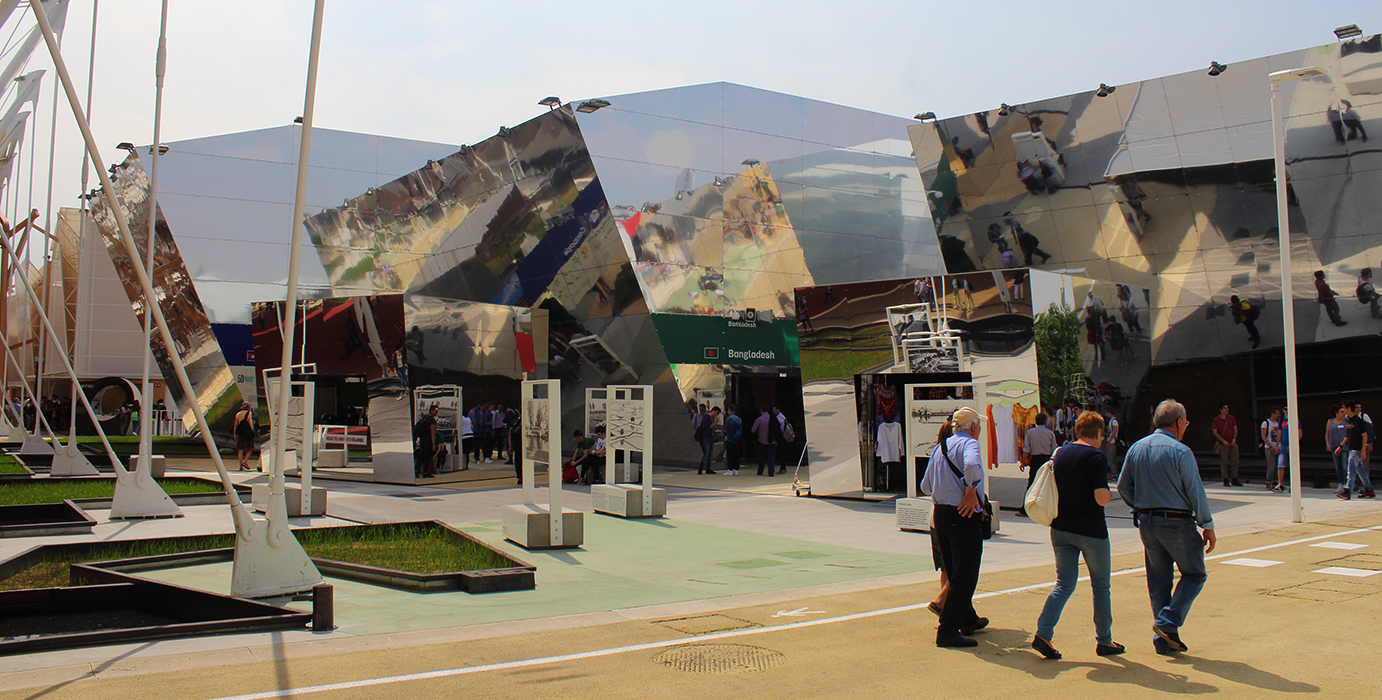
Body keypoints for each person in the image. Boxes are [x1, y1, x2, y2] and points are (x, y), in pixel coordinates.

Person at [1117, 399, 1215, 655]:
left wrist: (1139, 504)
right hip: (1176, 521)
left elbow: (1122, 486)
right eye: (1186, 422)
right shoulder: (1180, 451)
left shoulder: (1136, 448)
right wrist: (1207, 524)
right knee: (1194, 574)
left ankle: (1165, 640)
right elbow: (1195, 491)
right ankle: (1166, 623)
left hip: (1146, 523)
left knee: (1159, 581)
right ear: (1178, 422)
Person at [1032, 411, 1123, 660]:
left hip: (1061, 528)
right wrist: (1111, 494)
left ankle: (1043, 633)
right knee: (1101, 586)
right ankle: (1104, 641)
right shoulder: (1096, 456)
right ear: (1099, 433)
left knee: (1064, 584)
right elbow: (1100, 497)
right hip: (1090, 531)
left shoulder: (1061, 453)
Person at [920, 407, 989, 648]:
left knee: (953, 569)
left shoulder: (941, 447)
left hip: (941, 514)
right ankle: (948, 629)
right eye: (978, 425)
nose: (979, 429)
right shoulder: (970, 444)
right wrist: (970, 491)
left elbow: (926, 485)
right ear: (972, 427)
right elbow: (971, 466)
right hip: (962, 514)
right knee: (965, 573)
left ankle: (968, 618)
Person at [1018, 413, 1057, 517]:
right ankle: (1049, 509)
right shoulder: (1050, 433)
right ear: (1045, 422)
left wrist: (1023, 462)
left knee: (1031, 483)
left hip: (1035, 460)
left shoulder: (1030, 432)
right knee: (1047, 484)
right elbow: (1054, 449)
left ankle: (1025, 509)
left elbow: (1027, 449)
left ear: (1035, 421)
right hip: (1046, 460)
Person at [1337, 402, 1376, 500]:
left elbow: (1364, 435)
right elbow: (1348, 435)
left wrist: (1363, 450)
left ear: (1349, 408)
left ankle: (1347, 490)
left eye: (1344, 407)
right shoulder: (1348, 420)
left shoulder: (1358, 420)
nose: (1343, 409)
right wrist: (1341, 446)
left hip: (1357, 449)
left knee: (1351, 470)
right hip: (1351, 447)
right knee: (1360, 471)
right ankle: (1369, 489)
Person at [1211, 403, 1242, 487]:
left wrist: (1234, 440)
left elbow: (1235, 429)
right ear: (1220, 410)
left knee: (1235, 461)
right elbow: (1215, 432)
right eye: (1225, 408)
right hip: (1223, 444)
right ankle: (1225, 479)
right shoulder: (1216, 420)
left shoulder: (1231, 418)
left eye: (1227, 408)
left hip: (1232, 443)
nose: (1227, 410)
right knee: (1224, 462)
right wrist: (1223, 441)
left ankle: (1234, 478)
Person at [751, 407, 779, 476]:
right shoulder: (773, 418)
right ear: (768, 410)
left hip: (762, 441)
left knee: (761, 457)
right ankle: (771, 471)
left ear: (761, 411)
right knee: (771, 457)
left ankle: (760, 471)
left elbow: (753, 429)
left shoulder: (759, 419)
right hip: (772, 441)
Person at [414, 404, 439, 479]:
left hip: (422, 439)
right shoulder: (431, 420)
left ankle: (417, 470)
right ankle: (425, 472)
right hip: (428, 440)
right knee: (427, 456)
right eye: (435, 411)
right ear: (431, 411)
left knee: (421, 456)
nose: (436, 412)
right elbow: (432, 432)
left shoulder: (425, 417)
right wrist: (434, 443)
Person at [1327, 404, 1349, 490]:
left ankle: (1347, 483)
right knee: (1338, 465)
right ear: (1336, 413)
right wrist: (1328, 443)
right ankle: (1340, 483)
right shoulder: (1330, 421)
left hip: (1344, 446)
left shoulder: (1346, 421)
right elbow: (1327, 433)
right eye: (1341, 412)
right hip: (1334, 445)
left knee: (1345, 465)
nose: (1343, 414)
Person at [1262, 406, 1283, 491]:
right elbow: (1263, 436)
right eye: (1277, 414)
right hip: (1269, 447)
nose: (1279, 415)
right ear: (1272, 413)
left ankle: (1275, 481)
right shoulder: (1266, 423)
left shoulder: (1278, 423)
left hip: (1277, 446)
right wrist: (1270, 446)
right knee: (1271, 465)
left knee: (1277, 465)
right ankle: (1268, 481)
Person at [233, 401, 257, 471]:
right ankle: (245, 461)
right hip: (247, 434)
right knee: (250, 448)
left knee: (240, 450)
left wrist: (234, 434)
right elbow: (250, 424)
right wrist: (253, 432)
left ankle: (241, 466)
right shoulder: (249, 413)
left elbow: (235, 425)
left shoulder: (238, 414)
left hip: (240, 434)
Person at [696, 407, 719, 475]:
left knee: (709, 454)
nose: (716, 415)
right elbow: (707, 427)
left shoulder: (711, 418)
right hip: (706, 438)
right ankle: (700, 468)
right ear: (713, 411)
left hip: (710, 437)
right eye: (716, 413)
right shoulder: (707, 417)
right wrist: (715, 423)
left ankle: (708, 468)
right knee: (706, 454)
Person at [722, 404, 743, 476]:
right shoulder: (739, 419)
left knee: (730, 455)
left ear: (729, 410)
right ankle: (736, 469)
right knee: (736, 455)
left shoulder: (728, 419)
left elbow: (725, 429)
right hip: (737, 439)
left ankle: (730, 469)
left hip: (730, 439)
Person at [1103, 408, 1120, 478]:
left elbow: (1114, 431)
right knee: (1112, 459)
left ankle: (1114, 474)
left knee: (1110, 459)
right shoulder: (1112, 421)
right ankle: (1115, 473)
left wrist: (1109, 441)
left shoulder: (1114, 421)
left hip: (1112, 442)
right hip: (1111, 441)